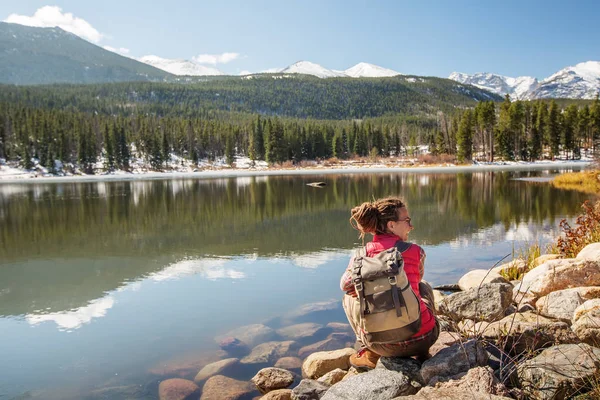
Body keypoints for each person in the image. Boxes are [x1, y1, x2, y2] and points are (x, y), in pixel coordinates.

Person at [340, 197, 439, 369]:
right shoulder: (416, 251)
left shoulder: (360, 256)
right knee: (423, 287)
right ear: (391, 225)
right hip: (424, 339)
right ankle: (423, 355)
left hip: (380, 345)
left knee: (349, 297)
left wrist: (370, 289)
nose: (411, 226)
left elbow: (345, 285)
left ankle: (369, 352)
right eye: (407, 221)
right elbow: (417, 281)